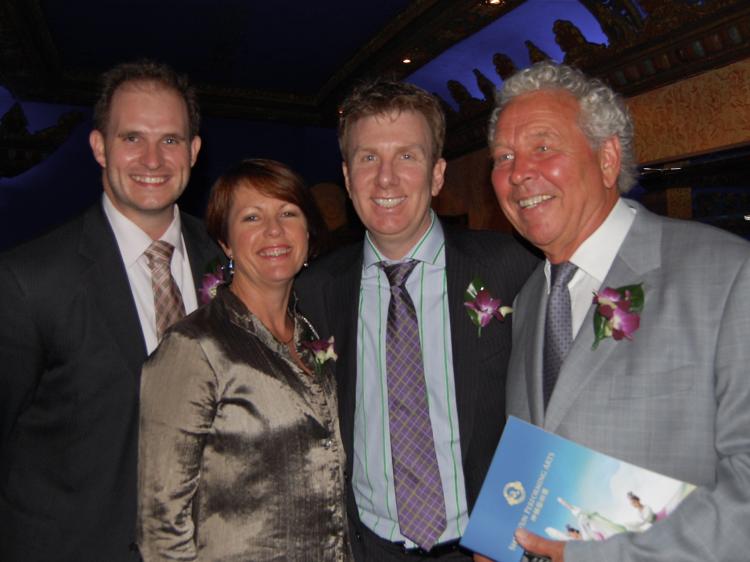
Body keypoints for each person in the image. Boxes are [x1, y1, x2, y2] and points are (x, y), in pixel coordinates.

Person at [481, 60, 750, 561]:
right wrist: (503, 538)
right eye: (502, 157)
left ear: (607, 160)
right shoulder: (529, 298)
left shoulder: (730, 274)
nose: (518, 174)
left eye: (542, 147)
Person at [295, 79, 538, 561]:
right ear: (346, 176)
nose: (386, 179)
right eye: (368, 158)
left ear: (438, 174)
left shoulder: (513, 267)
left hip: (487, 547)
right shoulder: (313, 291)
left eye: (407, 156)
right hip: (369, 546)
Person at [0, 60, 219, 561]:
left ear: (194, 150)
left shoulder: (227, 262)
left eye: (170, 140)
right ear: (99, 147)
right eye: (131, 138)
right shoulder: (29, 280)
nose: (152, 159)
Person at [137, 159, 351, 561]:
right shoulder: (194, 346)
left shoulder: (314, 338)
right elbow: (161, 527)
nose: (274, 230)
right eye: (252, 217)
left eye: (288, 213)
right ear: (226, 242)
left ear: (308, 232)